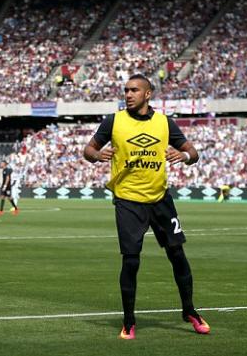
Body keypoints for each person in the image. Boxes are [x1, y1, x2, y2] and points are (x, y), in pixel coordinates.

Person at [83, 74, 209, 340]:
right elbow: (88, 149)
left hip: (160, 199)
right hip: (128, 200)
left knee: (178, 255)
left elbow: (194, 153)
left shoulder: (165, 123)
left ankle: (190, 311)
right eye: (126, 90)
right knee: (131, 261)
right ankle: (129, 321)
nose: (128, 94)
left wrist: (184, 155)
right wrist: (96, 155)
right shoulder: (114, 121)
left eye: (134, 90)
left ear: (148, 94)